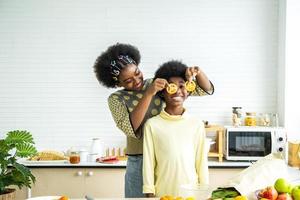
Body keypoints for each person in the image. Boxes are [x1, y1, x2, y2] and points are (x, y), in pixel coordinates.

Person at [93, 43, 214, 197]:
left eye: (137, 73)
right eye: (128, 81)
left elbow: (204, 89)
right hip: (139, 160)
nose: (137, 80)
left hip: (166, 159)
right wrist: (149, 94)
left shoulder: (156, 83)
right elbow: (130, 128)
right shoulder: (116, 99)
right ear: (118, 84)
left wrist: (197, 72)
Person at [143, 60, 209, 197]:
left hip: (191, 193)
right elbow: (148, 163)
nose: (178, 91)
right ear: (162, 92)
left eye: (182, 86)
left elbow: (201, 161)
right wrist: (149, 191)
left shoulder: (196, 124)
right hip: (163, 192)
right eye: (171, 87)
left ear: (188, 90)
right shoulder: (152, 125)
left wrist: (204, 190)